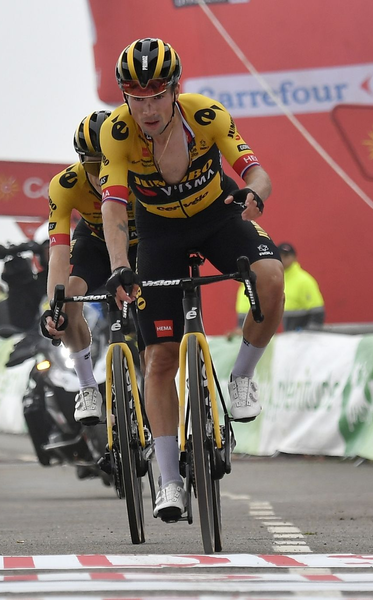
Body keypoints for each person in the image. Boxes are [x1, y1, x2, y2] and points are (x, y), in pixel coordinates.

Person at [98, 38, 285, 521]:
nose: (147, 108)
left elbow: (257, 172)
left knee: (270, 277)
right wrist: (120, 264)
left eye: (157, 95)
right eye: (136, 97)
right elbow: (115, 207)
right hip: (159, 234)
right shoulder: (117, 134)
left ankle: (242, 376)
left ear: (174, 90)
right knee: (159, 358)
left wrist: (252, 195)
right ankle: (169, 479)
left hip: (219, 215)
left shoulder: (207, 116)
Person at [40, 110, 139, 426]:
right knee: (67, 298)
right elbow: (58, 253)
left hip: (143, 239)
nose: (101, 174)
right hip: (95, 241)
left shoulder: (143, 169)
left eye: (108, 162)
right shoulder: (65, 185)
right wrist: (54, 308)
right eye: (93, 165)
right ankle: (87, 387)